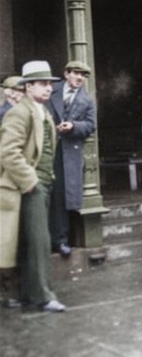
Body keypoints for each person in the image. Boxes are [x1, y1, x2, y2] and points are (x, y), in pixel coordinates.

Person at [0, 61, 66, 311]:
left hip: (43, 184)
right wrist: (31, 181)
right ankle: (43, 295)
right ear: (28, 87)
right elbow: (8, 152)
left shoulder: (42, 111)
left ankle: (28, 292)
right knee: (39, 241)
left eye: (50, 83)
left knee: (31, 241)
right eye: (42, 83)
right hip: (28, 187)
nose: (48, 88)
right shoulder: (20, 112)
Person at [45, 60, 97, 257]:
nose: (79, 78)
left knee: (62, 196)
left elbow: (91, 125)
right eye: (75, 73)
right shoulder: (51, 89)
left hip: (68, 153)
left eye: (82, 76)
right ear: (66, 73)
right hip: (46, 148)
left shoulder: (86, 100)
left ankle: (60, 240)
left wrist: (73, 127)